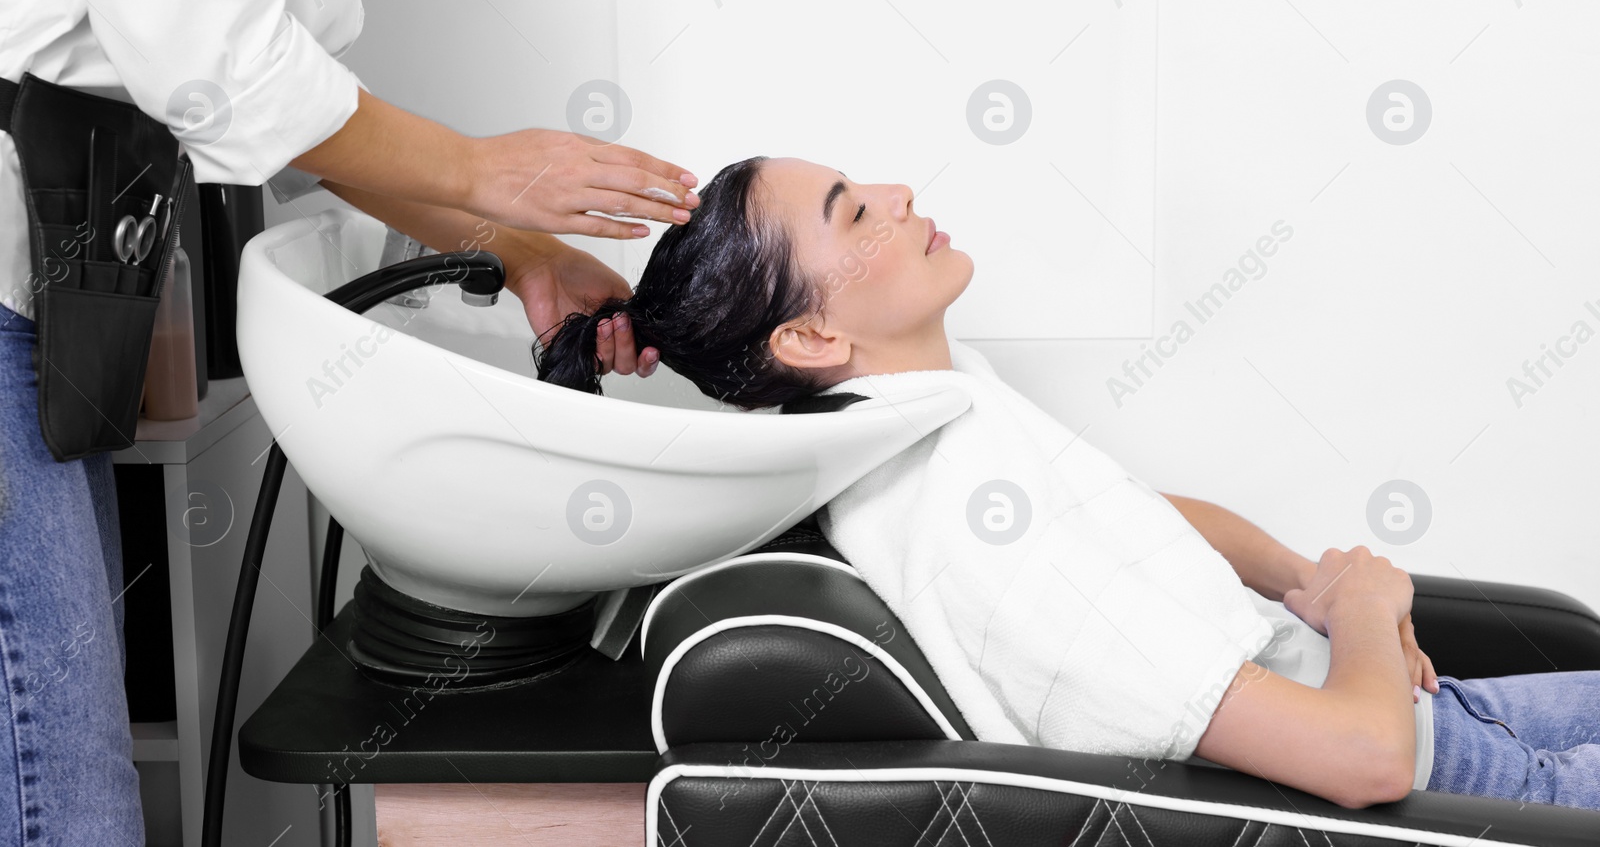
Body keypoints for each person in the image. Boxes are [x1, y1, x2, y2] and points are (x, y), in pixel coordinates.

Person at [0, 0, 684, 841]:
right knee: (61, 792)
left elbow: (287, 107)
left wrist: (516, 248)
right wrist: (483, 171)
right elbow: (200, 53)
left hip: (54, 236)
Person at [536, 155, 1600, 812]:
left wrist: (1306, 579)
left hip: (1422, 709)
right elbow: (1363, 761)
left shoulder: (927, 413)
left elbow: (1128, 512)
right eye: (855, 212)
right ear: (811, 333)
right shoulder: (970, 530)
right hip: (1445, 778)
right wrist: (1371, 606)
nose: (901, 191)